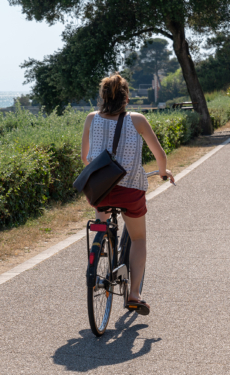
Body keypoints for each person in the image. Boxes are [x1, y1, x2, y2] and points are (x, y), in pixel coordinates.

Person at [81, 73, 175, 316]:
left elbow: (85, 159)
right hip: (130, 189)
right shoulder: (137, 120)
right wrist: (163, 172)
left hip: (100, 189)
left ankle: (100, 246)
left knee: (101, 223)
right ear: (126, 97)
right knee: (139, 239)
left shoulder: (91, 119)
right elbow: (160, 156)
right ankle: (134, 294)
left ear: (102, 97)